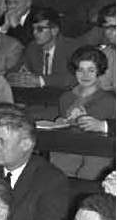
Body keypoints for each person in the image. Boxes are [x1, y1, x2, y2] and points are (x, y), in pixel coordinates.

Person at [48, 45, 116, 180]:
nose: (85, 75)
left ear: (99, 72)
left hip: (96, 153)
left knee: (89, 175)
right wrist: (60, 122)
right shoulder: (66, 97)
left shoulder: (109, 100)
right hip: (67, 150)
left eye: (91, 70)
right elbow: (67, 124)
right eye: (80, 70)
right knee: (58, 173)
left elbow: (94, 126)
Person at [8, 8, 77, 90]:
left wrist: (41, 80)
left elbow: (75, 77)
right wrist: (16, 76)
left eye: (40, 29)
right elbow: (14, 70)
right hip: (37, 94)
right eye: (33, 29)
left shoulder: (71, 47)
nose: (34, 33)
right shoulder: (32, 47)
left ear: (54, 31)